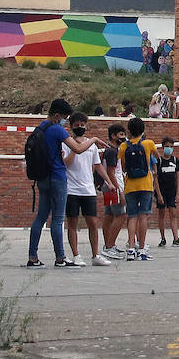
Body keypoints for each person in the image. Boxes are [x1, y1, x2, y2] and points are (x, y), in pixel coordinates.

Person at [27, 99, 100, 267]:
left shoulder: (40, 128)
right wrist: (94, 139)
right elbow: (79, 148)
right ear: (57, 115)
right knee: (58, 219)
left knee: (41, 217)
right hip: (57, 177)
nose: (65, 121)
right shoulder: (57, 130)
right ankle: (60, 257)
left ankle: (33, 256)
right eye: (65, 118)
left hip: (42, 178)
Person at [64, 113, 113, 266]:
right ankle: (76, 255)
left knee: (92, 222)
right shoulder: (66, 143)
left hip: (88, 189)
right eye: (77, 125)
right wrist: (75, 147)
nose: (80, 128)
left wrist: (109, 182)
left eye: (82, 125)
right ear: (71, 126)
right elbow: (66, 163)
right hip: (71, 189)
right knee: (72, 222)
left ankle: (95, 255)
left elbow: (97, 165)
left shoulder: (91, 145)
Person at [118, 117, 159, 261]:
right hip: (146, 184)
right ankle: (142, 249)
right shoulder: (148, 143)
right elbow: (156, 157)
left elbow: (123, 166)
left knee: (132, 216)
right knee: (143, 216)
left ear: (129, 130)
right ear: (143, 130)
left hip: (130, 185)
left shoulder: (124, 146)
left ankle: (130, 248)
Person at [99, 123, 131, 259]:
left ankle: (108, 245)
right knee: (121, 215)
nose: (123, 138)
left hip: (108, 186)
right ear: (113, 136)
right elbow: (111, 172)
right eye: (121, 135)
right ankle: (110, 246)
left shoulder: (110, 150)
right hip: (113, 186)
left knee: (109, 215)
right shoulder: (112, 151)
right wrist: (119, 190)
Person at [156, 137, 179, 247]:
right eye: (167, 146)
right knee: (162, 214)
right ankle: (163, 238)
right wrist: (158, 194)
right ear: (163, 147)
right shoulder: (158, 161)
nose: (169, 149)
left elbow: (178, 177)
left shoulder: (175, 161)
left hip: (171, 191)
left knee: (173, 214)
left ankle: (176, 238)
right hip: (161, 191)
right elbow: (155, 178)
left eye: (171, 147)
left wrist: (178, 193)